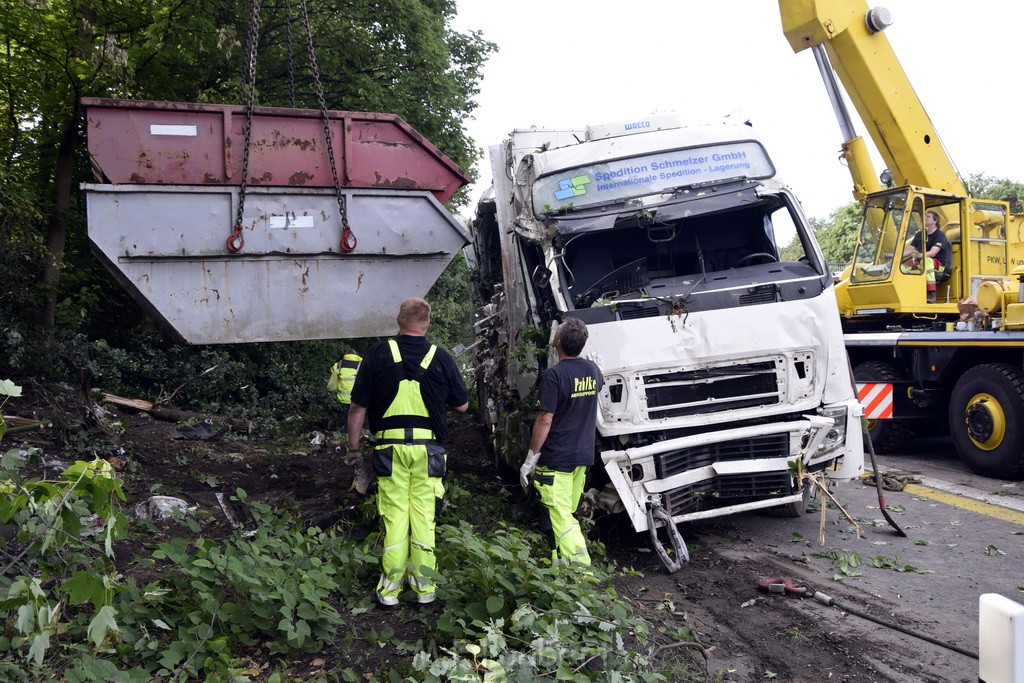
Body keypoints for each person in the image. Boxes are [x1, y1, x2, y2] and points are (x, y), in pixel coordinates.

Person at [347, 297, 468, 607]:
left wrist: (354, 448)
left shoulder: (376, 354)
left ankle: (389, 592)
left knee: (395, 516)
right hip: (429, 451)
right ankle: (425, 589)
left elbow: (358, 406)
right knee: (425, 518)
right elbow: (463, 405)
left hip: (389, 450)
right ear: (426, 324)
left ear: (398, 320)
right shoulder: (440, 357)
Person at [520, 317, 604, 566]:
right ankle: (561, 568)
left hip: (557, 459)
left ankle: (581, 573)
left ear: (556, 343)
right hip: (582, 458)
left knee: (560, 518)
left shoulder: (554, 376)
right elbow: (594, 389)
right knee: (565, 514)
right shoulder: (593, 370)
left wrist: (531, 457)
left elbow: (545, 419)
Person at [903, 210, 951, 302]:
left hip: (938, 265)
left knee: (927, 261)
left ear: (935, 221)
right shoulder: (920, 234)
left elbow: (933, 253)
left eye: (928, 217)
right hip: (921, 261)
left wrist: (919, 255)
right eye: (924, 216)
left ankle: (932, 293)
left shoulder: (940, 235)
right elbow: (910, 250)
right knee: (902, 267)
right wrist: (894, 256)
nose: (925, 218)